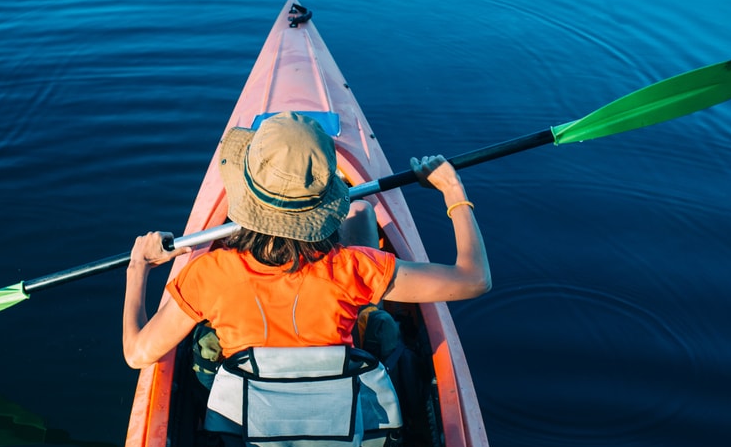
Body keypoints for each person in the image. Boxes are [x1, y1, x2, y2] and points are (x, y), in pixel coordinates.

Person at [123, 111, 491, 375]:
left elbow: (138, 354)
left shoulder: (207, 275)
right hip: (341, 417)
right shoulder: (357, 267)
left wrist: (138, 268)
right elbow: (474, 280)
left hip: (247, 424)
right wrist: (452, 190)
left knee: (204, 341)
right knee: (361, 213)